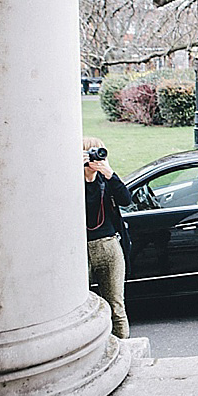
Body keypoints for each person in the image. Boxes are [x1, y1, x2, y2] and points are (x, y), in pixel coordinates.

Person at [83, 136, 133, 339]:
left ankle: (123, 347)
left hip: (109, 245)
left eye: (100, 152)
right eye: (91, 152)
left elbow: (126, 200)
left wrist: (110, 174)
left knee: (116, 306)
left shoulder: (106, 179)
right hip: (80, 248)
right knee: (81, 308)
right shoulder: (70, 181)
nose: (96, 157)